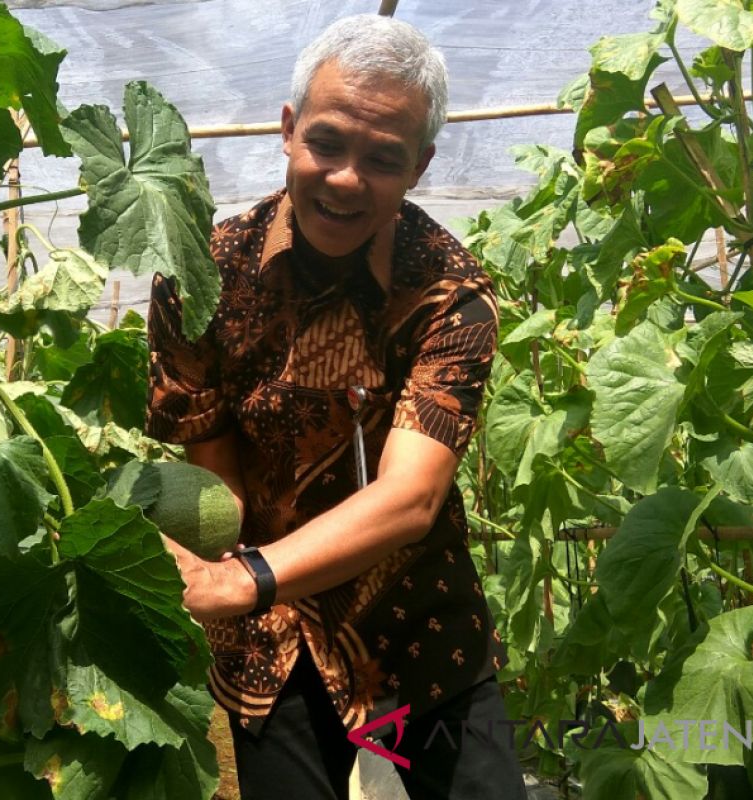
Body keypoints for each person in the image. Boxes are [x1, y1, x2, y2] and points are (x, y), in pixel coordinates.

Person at [146, 14, 528, 800]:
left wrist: (243, 579)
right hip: (273, 639)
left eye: (383, 158)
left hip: (420, 623)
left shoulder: (450, 295)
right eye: (327, 143)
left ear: (419, 166)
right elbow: (218, 498)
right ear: (288, 131)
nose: (347, 178)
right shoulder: (200, 279)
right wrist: (223, 577)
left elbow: (411, 498)